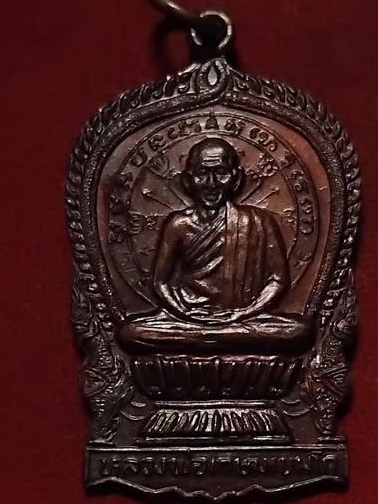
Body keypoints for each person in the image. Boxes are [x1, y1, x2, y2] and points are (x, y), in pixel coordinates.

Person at [119, 137, 310, 351]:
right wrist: (185, 313)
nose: (211, 183)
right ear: (187, 180)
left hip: (243, 319)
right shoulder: (178, 224)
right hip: (188, 318)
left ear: (236, 179)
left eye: (221, 173)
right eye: (201, 174)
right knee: (131, 332)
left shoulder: (259, 221)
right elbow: (161, 283)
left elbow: (278, 281)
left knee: (297, 331)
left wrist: (243, 313)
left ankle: (213, 338)